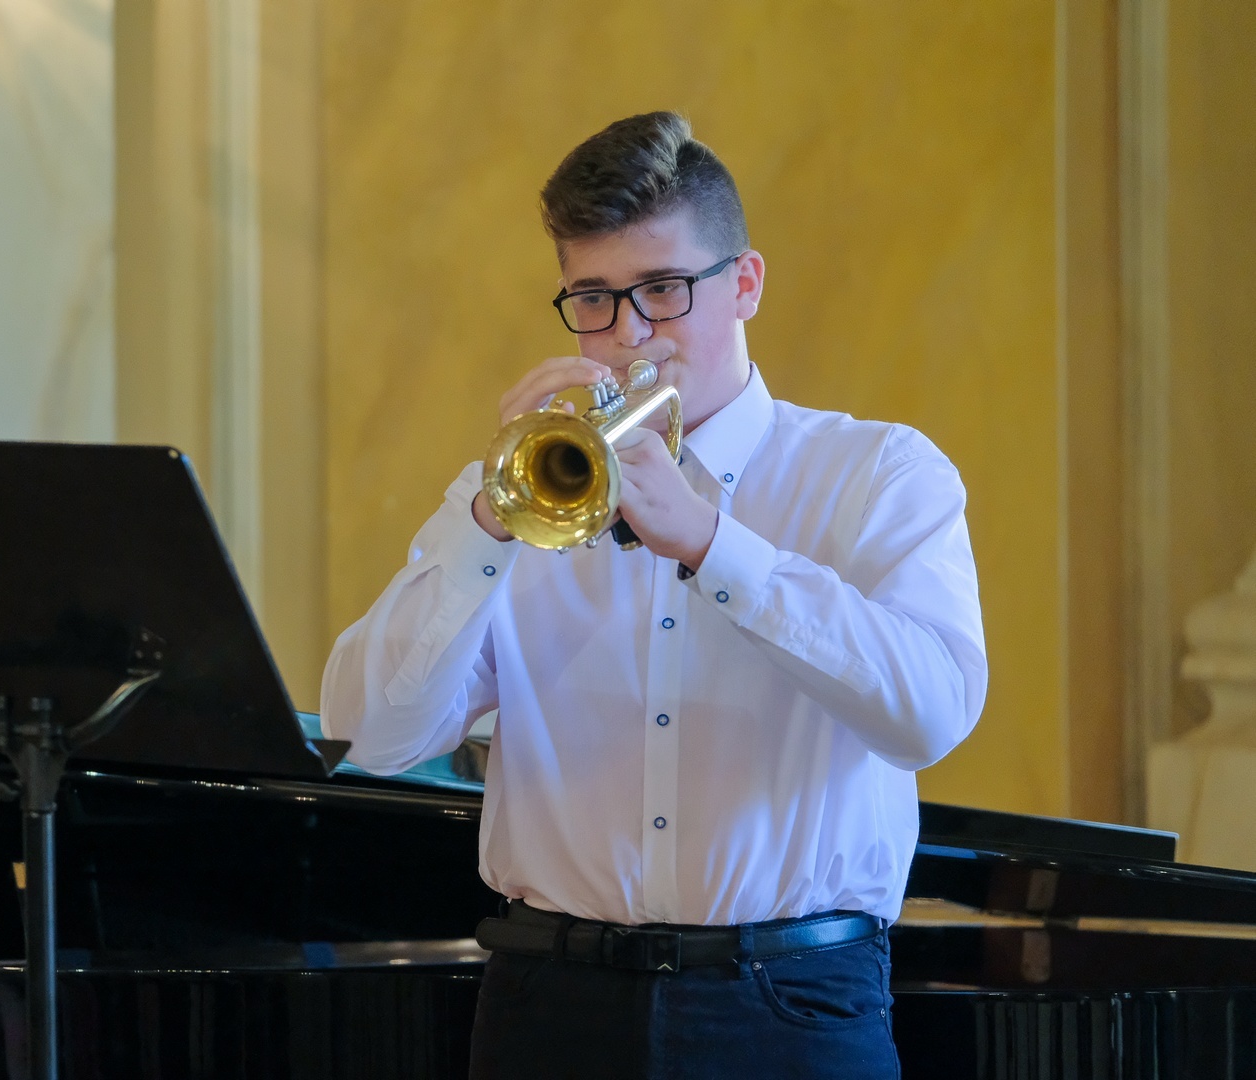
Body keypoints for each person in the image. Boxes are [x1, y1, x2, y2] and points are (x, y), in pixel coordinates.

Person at [320, 112, 987, 1079]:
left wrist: (713, 544)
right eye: (594, 299)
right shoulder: (512, 496)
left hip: (792, 1005)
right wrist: (488, 524)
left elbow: (930, 714)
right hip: (549, 1002)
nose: (630, 333)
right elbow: (370, 735)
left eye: (664, 290)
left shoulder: (878, 472)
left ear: (744, 284)